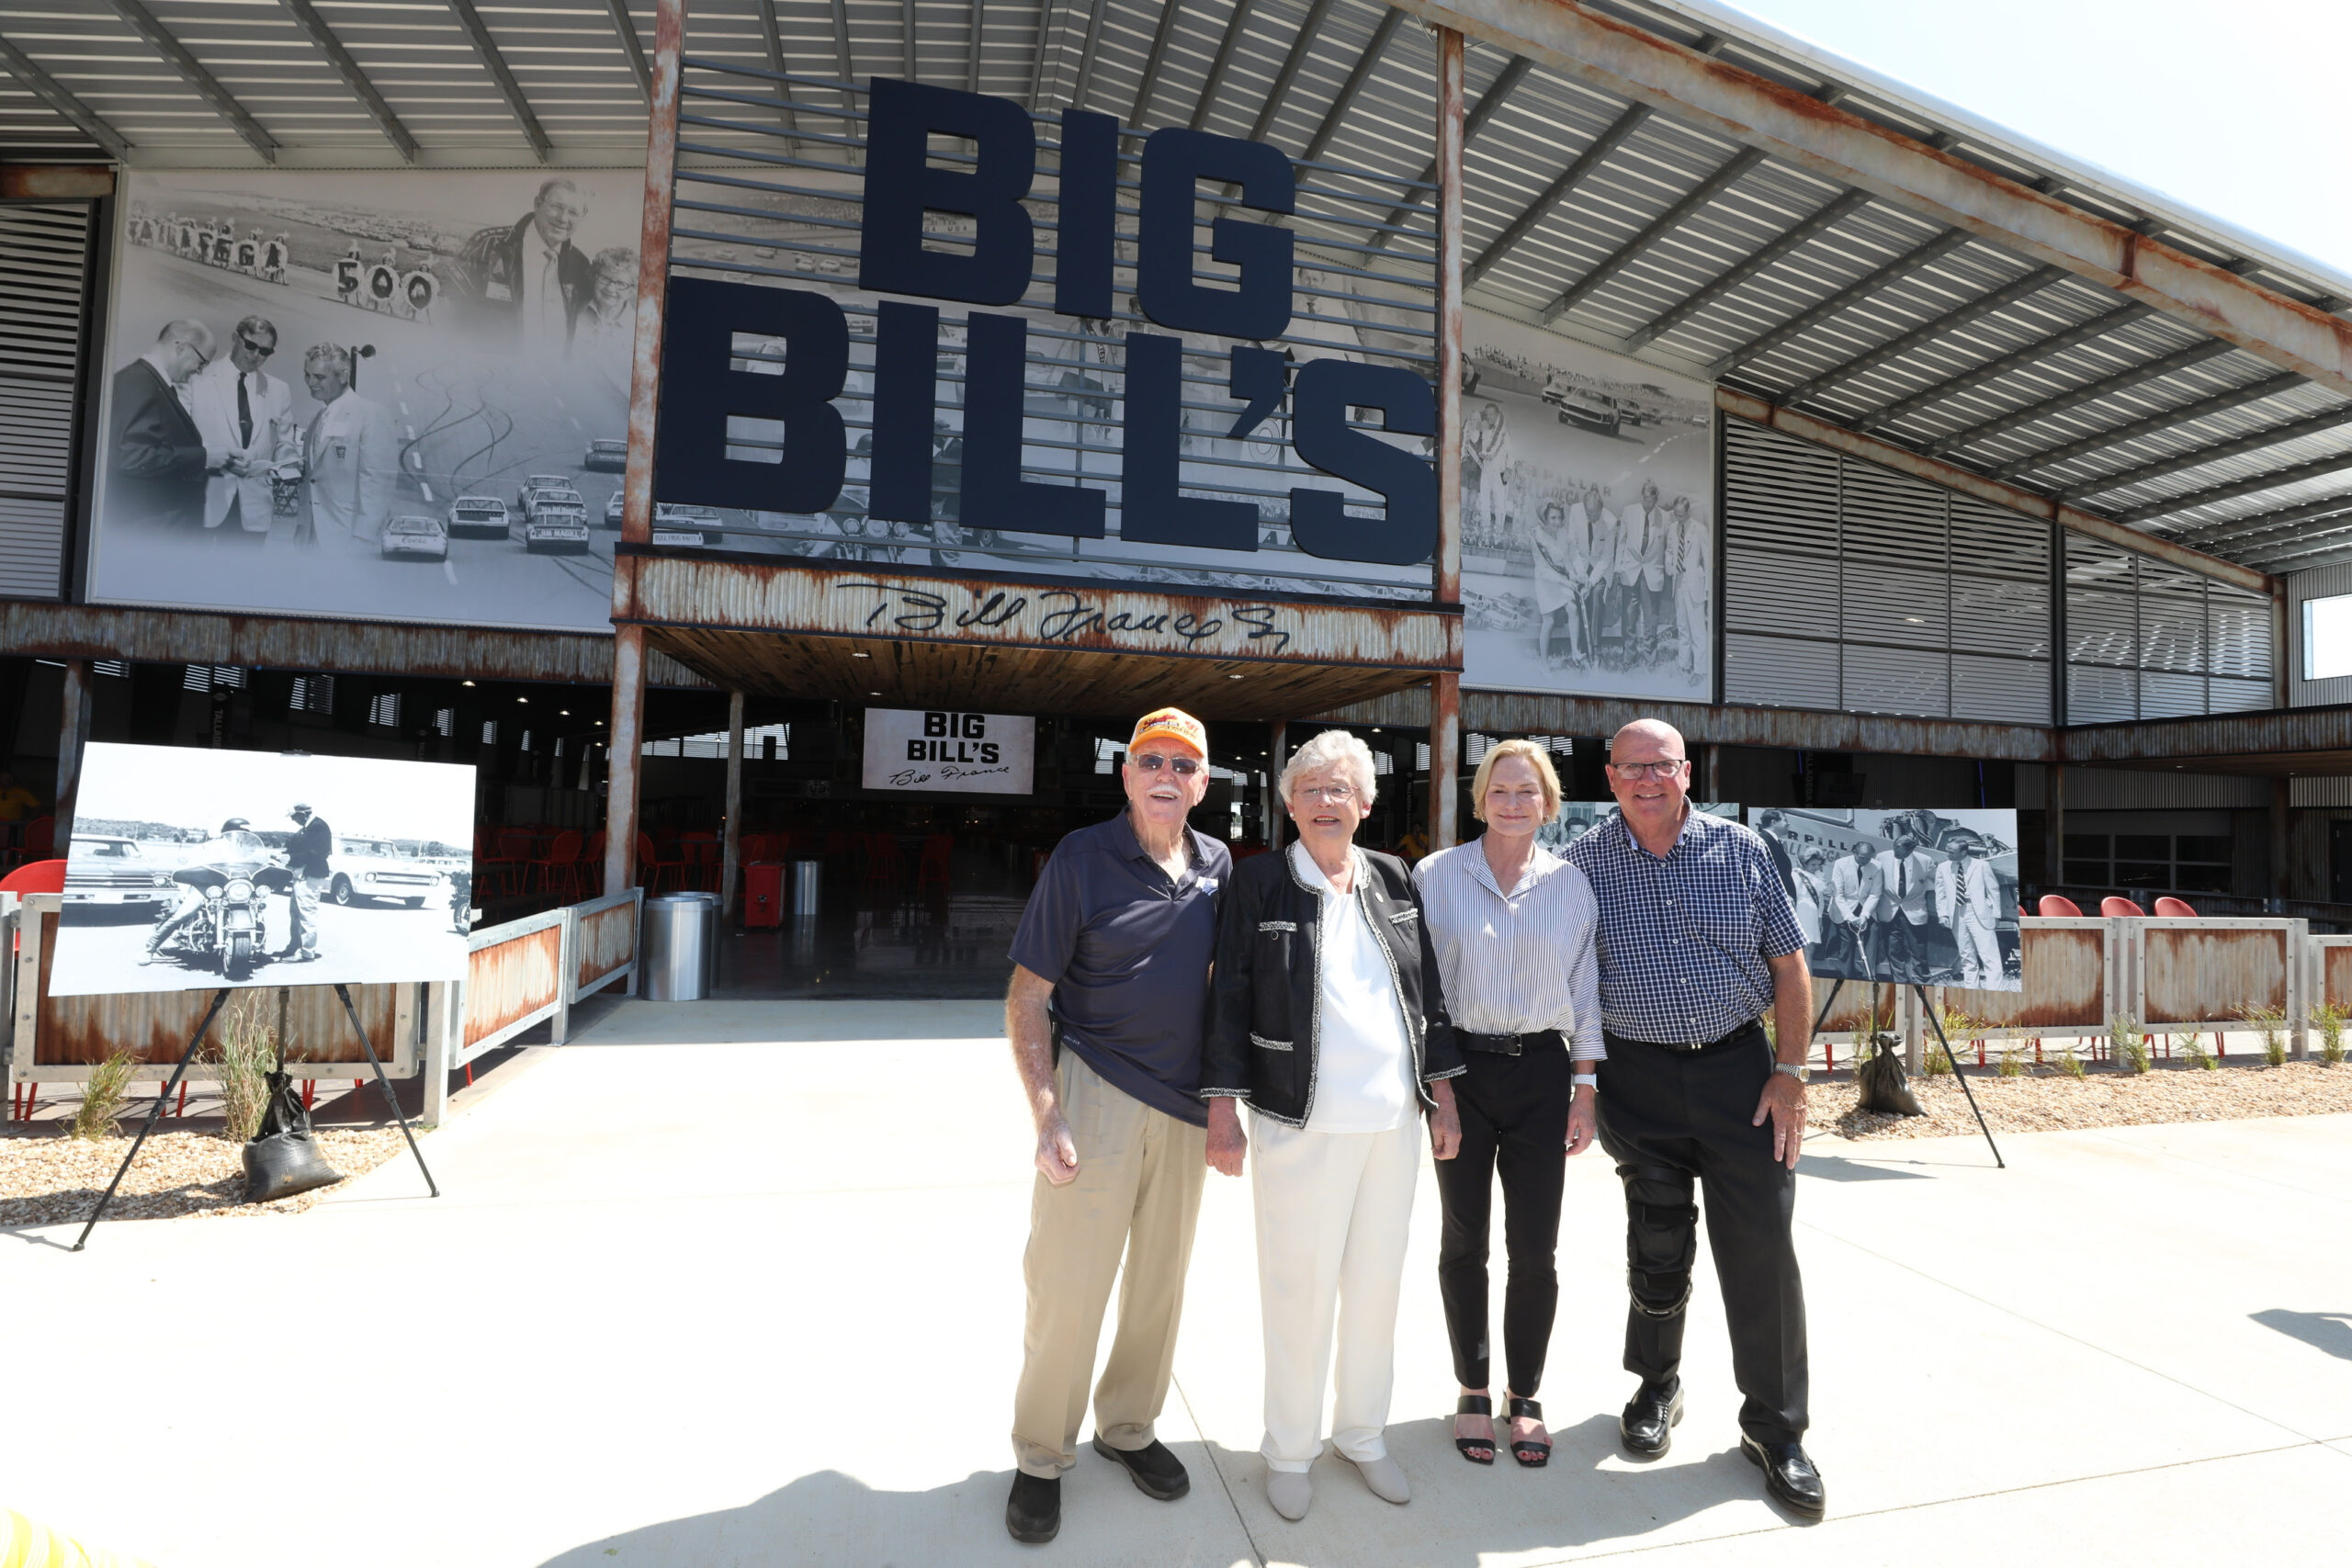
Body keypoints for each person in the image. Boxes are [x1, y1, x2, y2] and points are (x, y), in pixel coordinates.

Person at [1201, 729, 1464, 1523]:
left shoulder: (1392, 877)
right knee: (1298, 1289)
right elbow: (1228, 997)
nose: (1325, 802)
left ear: (1366, 802)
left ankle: (1362, 1432)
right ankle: (1289, 1447)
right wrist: (1222, 1108)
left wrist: (1442, 1093)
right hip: (1298, 1118)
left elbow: (1429, 994)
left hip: (1392, 1124)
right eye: (1309, 789)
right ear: (1287, 804)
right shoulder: (1259, 885)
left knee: (1377, 1287)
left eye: (1339, 789)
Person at [1565, 719, 1826, 1518]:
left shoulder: (1741, 852)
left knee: (1760, 1245)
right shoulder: (1580, 864)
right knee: (1658, 1238)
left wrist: (1788, 1074)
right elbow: (1566, 978)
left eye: (1662, 765)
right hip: (1636, 1075)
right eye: (1631, 767)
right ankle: (1656, 1387)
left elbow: (1790, 968)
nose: (1648, 779)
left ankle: (1775, 1428)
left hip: (1739, 1073)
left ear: (1689, 770)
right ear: (1609, 776)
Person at [1001, 708, 1232, 1546]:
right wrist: (1047, 1108)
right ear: (1126, 774)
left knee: (1159, 1285)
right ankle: (1039, 1452)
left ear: (1203, 783)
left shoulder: (1218, 863)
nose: (1167, 774)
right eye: (1151, 760)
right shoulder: (1082, 858)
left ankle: (1128, 1427)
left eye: (1184, 763)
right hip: (1094, 1086)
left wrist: (1224, 1103)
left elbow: (1219, 989)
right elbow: (1028, 993)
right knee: (1067, 1280)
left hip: (1185, 1102)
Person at [1413, 739, 1600, 1470]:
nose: (1514, 802)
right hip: (1461, 1069)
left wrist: (1584, 1087)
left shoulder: (1571, 886)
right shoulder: (1436, 875)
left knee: (1535, 1247)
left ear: (1548, 802)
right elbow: (1425, 995)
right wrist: (1441, 1094)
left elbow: (1585, 993)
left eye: (1528, 791)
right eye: (1500, 789)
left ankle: (1525, 1395)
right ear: (1480, 797)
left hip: (1541, 1076)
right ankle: (1472, 1386)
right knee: (1464, 1241)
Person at [448, 176, 594, 351]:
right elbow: (450, 308)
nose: (563, 218)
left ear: (582, 218)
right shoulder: (489, 245)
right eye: (557, 207)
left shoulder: (580, 265)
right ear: (538, 204)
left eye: (573, 212)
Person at [188, 315, 297, 543]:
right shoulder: (198, 378)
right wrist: (220, 458)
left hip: (255, 510)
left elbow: (285, 443)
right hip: (205, 502)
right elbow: (183, 435)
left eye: (265, 352)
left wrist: (288, 460)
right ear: (235, 338)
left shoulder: (279, 390)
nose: (256, 356)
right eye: (251, 346)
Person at [107, 320, 219, 530]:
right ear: (181, 347)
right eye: (202, 362)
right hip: (150, 527)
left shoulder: (151, 382)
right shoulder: (137, 382)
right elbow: (129, 456)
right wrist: (203, 457)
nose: (200, 371)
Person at [300, 344, 396, 549]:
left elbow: (378, 482)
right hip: (310, 538)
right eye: (307, 375)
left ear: (343, 376)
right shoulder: (315, 419)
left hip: (347, 540)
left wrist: (363, 537)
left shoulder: (372, 415)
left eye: (319, 377)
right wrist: (301, 527)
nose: (310, 383)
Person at [1871, 822, 1939, 983]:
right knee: (1893, 951)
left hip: (1915, 912)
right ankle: (1899, 983)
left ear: (1910, 850)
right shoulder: (1882, 857)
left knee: (1918, 951)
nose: (1894, 853)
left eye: (1899, 851)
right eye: (1894, 848)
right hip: (1889, 911)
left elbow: (1940, 881)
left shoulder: (1925, 860)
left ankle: (1923, 982)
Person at [1937, 835, 2004, 988]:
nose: (1947, 854)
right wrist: (1943, 914)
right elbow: (1940, 893)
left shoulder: (1981, 866)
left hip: (1979, 912)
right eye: (1947, 851)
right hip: (1956, 913)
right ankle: (1972, 990)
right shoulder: (1943, 867)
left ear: (1964, 852)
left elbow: (1993, 890)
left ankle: (1995, 991)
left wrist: (1996, 914)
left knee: (1989, 955)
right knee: (1966, 956)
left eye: (1951, 852)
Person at [280, 802, 333, 962]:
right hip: (302, 875)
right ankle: (294, 947)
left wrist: (291, 858)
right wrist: (287, 853)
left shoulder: (318, 827)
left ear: (303, 814)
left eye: (294, 817)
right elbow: (301, 847)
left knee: (306, 914)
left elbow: (317, 852)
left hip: (310, 875)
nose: (293, 820)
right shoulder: (307, 828)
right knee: (296, 912)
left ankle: (306, 952)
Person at [1826, 841, 1880, 979]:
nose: (1866, 861)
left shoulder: (1877, 866)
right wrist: (1850, 916)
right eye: (1862, 858)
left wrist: (1864, 915)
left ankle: (1868, 976)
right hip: (1844, 909)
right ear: (1854, 853)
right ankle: (1846, 978)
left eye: (1868, 858)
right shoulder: (1840, 864)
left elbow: (1875, 894)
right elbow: (1838, 893)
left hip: (1865, 908)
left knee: (1871, 939)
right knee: (1846, 945)